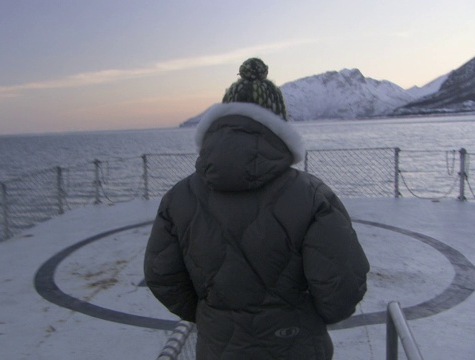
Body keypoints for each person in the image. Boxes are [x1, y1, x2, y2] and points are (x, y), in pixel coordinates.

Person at [144, 58, 370, 359]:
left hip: (217, 346)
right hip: (295, 345)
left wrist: (212, 314)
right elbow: (342, 288)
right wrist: (300, 318)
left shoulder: (178, 198)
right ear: (279, 124)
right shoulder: (313, 196)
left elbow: (162, 275)